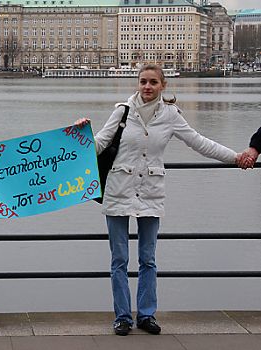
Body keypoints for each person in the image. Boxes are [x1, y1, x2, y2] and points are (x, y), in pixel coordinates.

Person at [76, 64, 241, 336]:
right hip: (118, 189)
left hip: (151, 192)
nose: (147, 87)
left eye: (153, 82)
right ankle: (122, 317)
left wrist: (235, 157)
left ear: (163, 85)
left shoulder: (171, 115)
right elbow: (99, 144)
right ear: (137, 84)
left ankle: (146, 314)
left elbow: (199, 142)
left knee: (148, 259)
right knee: (119, 259)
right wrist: (79, 134)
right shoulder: (122, 111)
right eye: (143, 82)